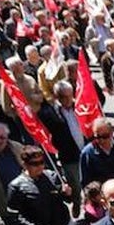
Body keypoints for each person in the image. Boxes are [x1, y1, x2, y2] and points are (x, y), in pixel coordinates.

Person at [38, 81, 87, 212]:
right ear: (56, 96)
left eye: (69, 96)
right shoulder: (49, 113)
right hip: (69, 155)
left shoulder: (80, 106)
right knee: (75, 185)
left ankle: (91, 207)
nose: (67, 100)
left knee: (89, 181)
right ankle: (77, 203)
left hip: (86, 149)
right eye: (63, 97)